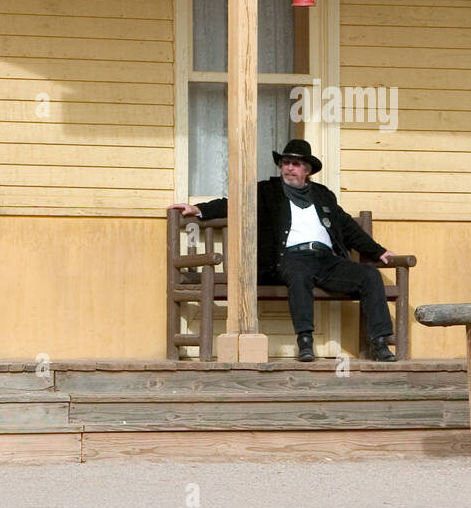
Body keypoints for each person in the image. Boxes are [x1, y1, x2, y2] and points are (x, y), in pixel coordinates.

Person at [169, 139, 398, 362]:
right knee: (300, 274)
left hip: (327, 259)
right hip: (289, 258)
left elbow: (346, 226)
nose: (289, 168)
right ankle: (305, 341)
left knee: (369, 275)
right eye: (286, 162)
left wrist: (378, 251)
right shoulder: (267, 191)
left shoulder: (323, 194)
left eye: (295, 164)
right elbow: (234, 203)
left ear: (307, 170)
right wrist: (198, 209)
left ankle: (379, 343)